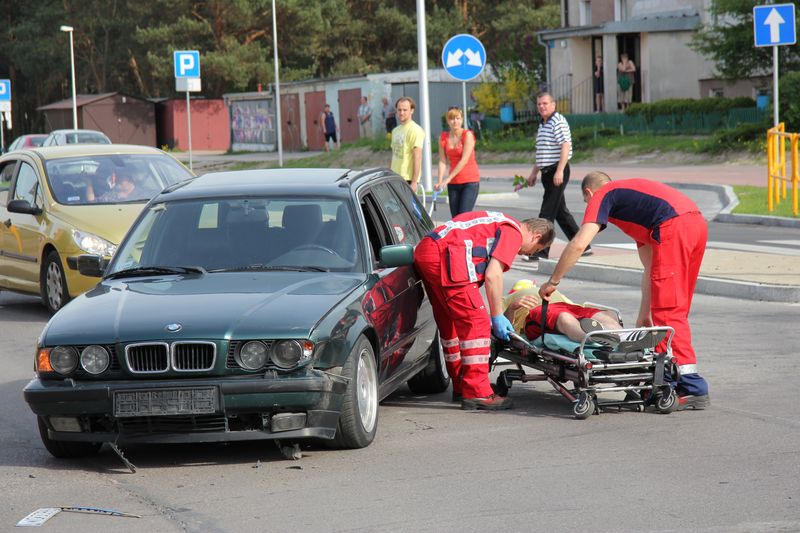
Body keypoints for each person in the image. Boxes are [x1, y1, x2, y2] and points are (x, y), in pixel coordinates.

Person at [539, 171, 710, 411]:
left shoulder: (604, 194)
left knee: (669, 312)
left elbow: (579, 243)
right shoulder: (639, 210)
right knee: (673, 309)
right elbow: (651, 269)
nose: (592, 209)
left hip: (676, 228)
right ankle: (667, 378)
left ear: (589, 193)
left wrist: (553, 281)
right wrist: (644, 313)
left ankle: (689, 386)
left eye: (588, 203)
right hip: (694, 225)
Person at [413, 213, 555, 410]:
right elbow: (493, 275)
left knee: (451, 323)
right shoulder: (513, 232)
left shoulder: (497, 222)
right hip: (446, 255)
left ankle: (462, 384)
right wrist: (496, 315)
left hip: (428, 250)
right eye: (535, 250)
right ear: (536, 236)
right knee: (476, 323)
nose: (529, 253)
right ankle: (478, 393)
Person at [525, 92, 588, 261]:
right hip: (547, 172)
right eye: (539, 104)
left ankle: (540, 251)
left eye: (545, 103)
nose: (542, 106)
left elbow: (565, 146)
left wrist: (560, 170)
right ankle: (584, 245)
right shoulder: (543, 124)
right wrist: (533, 173)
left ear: (553, 105)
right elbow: (542, 152)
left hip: (557, 171)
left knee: (546, 213)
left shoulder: (558, 121)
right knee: (560, 212)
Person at [503, 279, 622, 343]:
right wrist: (512, 307)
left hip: (562, 305)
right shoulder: (506, 299)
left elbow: (572, 305)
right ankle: (594, 338)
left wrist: (587, 313)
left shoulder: (545, 290)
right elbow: (502, 327)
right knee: (564, 317)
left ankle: (625, 337)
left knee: (605, 315)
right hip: (536, 312)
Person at [436, 106, 480, 217]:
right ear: (447, 121)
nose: (455, 121)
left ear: (462, 119)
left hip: (469, 181)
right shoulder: (443, 137)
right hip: (453, 183)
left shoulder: (467, 135)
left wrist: (448, 178)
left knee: (463, 217)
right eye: (451, 118)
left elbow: (464, 160)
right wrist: (440, 181)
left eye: (457, 118)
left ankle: (469, 234)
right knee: (455, 219)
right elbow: (442, 161)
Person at [390, 96, 425, 192]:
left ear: (412, 111)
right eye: (399, 110)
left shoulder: (415, 130)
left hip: (407, 178)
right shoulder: (395, 131)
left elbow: (417, 157)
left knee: (407, 206)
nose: (401, 113)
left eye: (405, 110)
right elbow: (394, 155)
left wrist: (414, 182)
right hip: (394, 177)